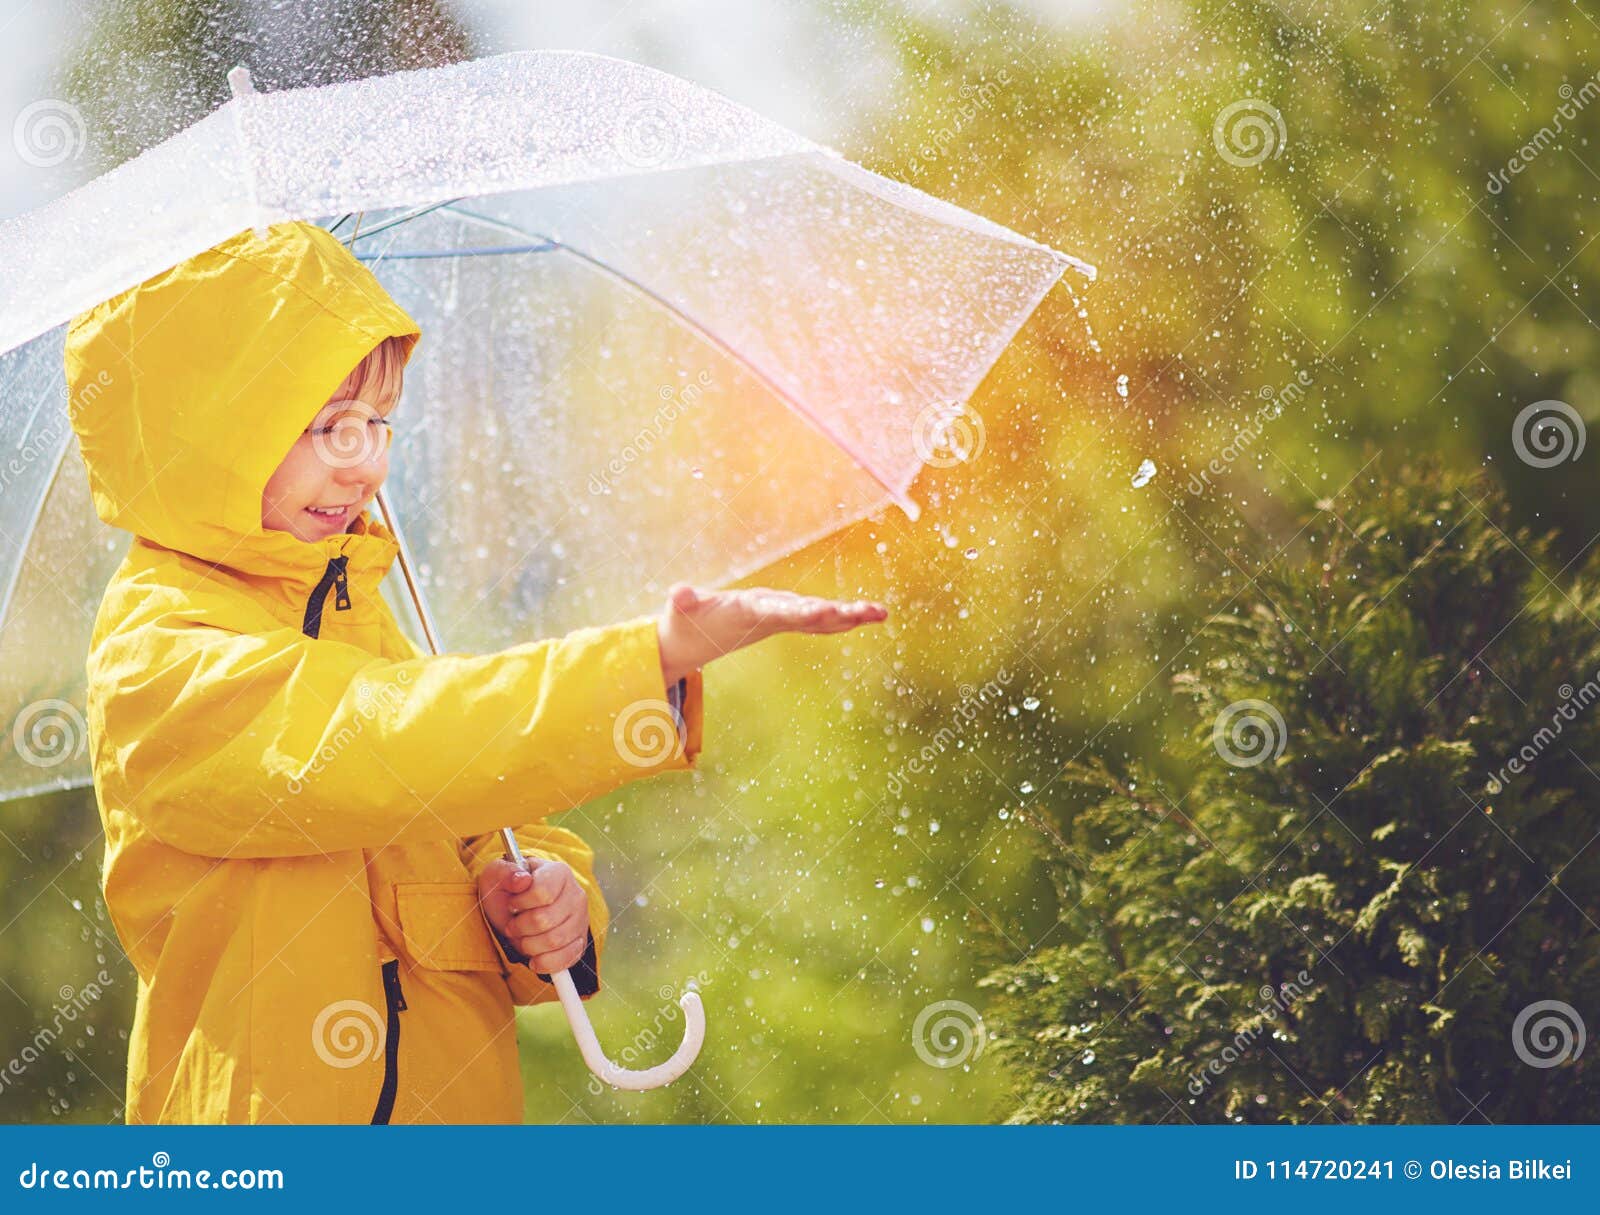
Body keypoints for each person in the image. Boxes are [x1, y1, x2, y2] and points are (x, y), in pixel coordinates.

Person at [65, 221, 885, 1124]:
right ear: (204, 435)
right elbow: (391, 743)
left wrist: (553, 910)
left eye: (377, 421)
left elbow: (467, 818)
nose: (365, 458)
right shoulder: (159, 649)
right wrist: (643, 663)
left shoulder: (361, 610)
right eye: (326, 425)